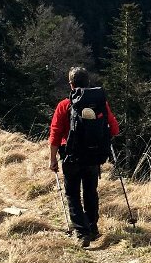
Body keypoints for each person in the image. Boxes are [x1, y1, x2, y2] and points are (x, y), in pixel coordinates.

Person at [48, 66, 120, 247]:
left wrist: (52, 158)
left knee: (72, 194)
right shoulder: (100, 103)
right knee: (90, 191)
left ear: (71, 84)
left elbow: (55, 134)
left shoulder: (64, 105)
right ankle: (93, 227)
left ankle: (81, 232)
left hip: (71, 156)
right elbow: (115, 128)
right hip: (93, 156)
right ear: (88, 82)